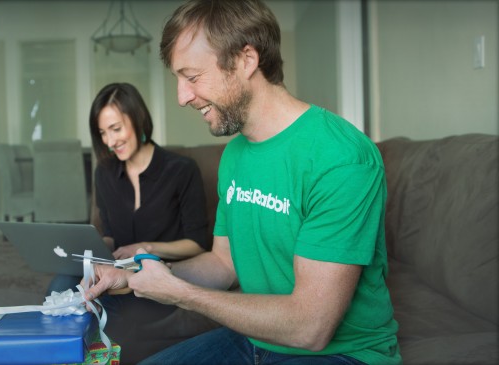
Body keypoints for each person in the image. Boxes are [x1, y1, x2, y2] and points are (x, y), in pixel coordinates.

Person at [83, 1, 401, 364]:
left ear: (246, 60)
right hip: (256, 338)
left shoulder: (340, 157)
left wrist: (179, 293)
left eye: (192, 77)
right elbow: (223, 263)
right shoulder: (235, 155)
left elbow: (310, 328)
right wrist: (137, 275)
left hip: (342, 353)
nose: (182, 97)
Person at [73, 82, 217, 364]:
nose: (110, 141)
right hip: (116, 271)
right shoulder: (105, 173)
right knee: (64, 284)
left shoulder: (181, 170)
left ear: (138, 119)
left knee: (110, 307)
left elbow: (198, 244)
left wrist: (145, 246)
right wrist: (94, 251)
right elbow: (111, 235)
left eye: (116, 129)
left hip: (155, 277)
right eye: (103, 133)